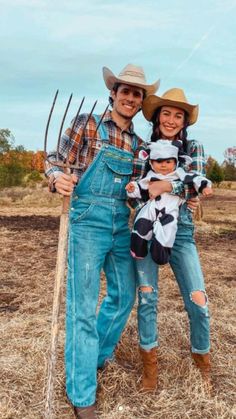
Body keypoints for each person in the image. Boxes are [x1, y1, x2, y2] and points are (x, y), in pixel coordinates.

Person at [45, 64, 160, 419]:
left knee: (124, 294)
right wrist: (56, 179)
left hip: (120, 222)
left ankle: (89, 357)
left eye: (136, 93)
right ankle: (81, 395)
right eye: (124, 91)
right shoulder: (87, 123)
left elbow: (141, 190)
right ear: (113, 93)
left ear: (141, 102)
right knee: (81, 307)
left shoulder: (140, 145)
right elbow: (54, 159)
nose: (129, 97)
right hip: (86, 220)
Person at [131, 88, 213, 393]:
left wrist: (166, 183)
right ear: (156, 116)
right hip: (148, 226)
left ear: (184, 121)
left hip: (182, 232)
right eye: (166, 113)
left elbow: (197, 183)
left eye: (178, 115)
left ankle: (202, 363)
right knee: (148, 297)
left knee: (199, 300)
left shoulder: (194, 147)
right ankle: (150, 368)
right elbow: (138, 187)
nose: (171, 119)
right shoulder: (144, 149)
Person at [126, 140, 212, 265]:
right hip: (151, 208)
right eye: (159, 161)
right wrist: (132, 188)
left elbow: (195, 179)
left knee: (168, 230)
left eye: (168, 162)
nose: (164, 165)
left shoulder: (179, 174)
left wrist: (204, 186)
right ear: (151, 163)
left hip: (169, 211)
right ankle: (137, 249)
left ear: (176, 162)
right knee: (140, 224)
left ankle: (161, 253)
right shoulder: (150, 176)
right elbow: (140, 188)